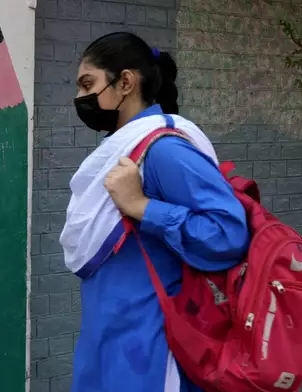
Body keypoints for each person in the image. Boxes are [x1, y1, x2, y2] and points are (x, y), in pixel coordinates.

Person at [59, 32, 251, 392]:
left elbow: (229, 234)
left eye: (88, 84)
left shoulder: (164, 150)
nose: (80, 98)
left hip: (153, 349)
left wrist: (142, 206)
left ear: (126, 82)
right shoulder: (121, 150)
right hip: (111, 337)